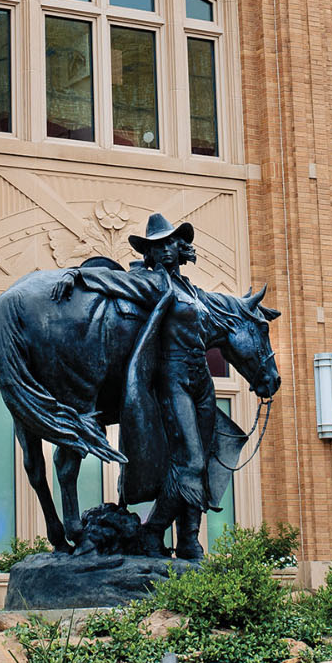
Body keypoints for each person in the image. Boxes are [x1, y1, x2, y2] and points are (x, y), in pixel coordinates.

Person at [69, 213, 246, 560]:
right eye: (158, 246)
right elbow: (112, 283)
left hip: (201, 381)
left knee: (205, 456)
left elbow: (221, 320)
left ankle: (189, 540)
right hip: (173, 379)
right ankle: (153, 530)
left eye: (170, 243)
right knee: (190, 461)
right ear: (149, 253)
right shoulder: (152, 283)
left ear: (180, 247)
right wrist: (77, 276)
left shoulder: (192, 290)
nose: (165, 250)